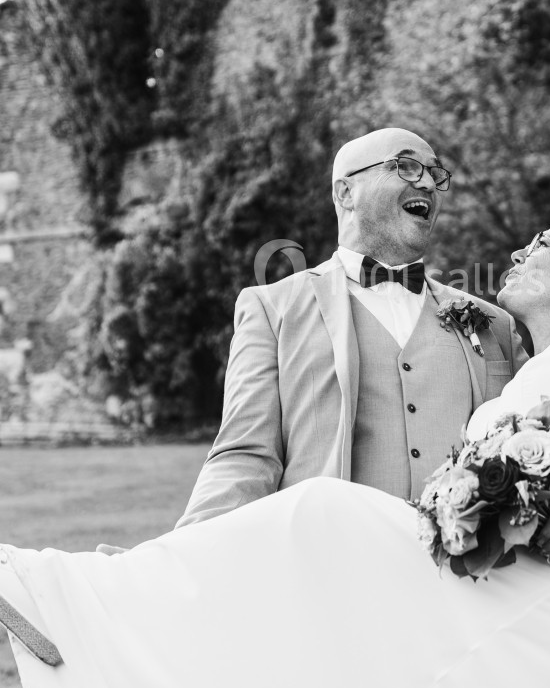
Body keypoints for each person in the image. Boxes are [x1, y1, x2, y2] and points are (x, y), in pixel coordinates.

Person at [0, 196, 550, 688]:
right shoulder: (521, 362)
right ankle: (124, 601)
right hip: (503, 575)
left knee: (317, 510)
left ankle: (76, 587)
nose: (519, 253)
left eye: (541, 246)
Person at [178, 127, 529, 528]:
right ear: (345, 193)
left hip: (465, 578)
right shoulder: (272, 310)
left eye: (435, 173)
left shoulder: (494, 323)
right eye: (407, 166)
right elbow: (246, 456)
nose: (429, 183)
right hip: (331, 568)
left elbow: (531, 440)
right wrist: (179, 556)